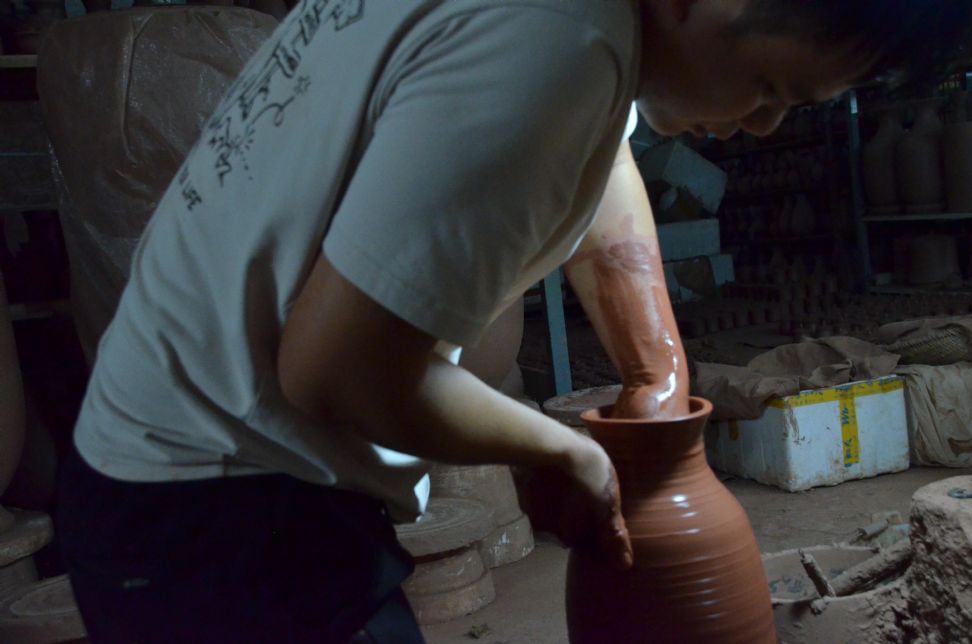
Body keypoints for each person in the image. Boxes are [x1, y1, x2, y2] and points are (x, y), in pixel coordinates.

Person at [55, 0, 972, 641]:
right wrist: (561, 451)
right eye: (769, 85)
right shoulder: (555, 46)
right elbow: (338, 368)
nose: (765, 125)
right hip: (206, 502)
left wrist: (656, 371)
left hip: (192, 450)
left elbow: (601, 154)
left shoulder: (592, 32)